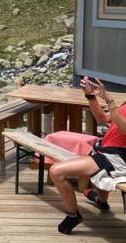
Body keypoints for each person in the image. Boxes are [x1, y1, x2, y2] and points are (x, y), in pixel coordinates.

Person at [49, 77, 126, 235]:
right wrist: (90, 96)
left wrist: (110, 100)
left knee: (56, 171)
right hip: (106, 151)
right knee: (95, 160)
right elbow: (102, 118)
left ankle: (73, 215)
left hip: (118, 157)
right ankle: (101, 201)